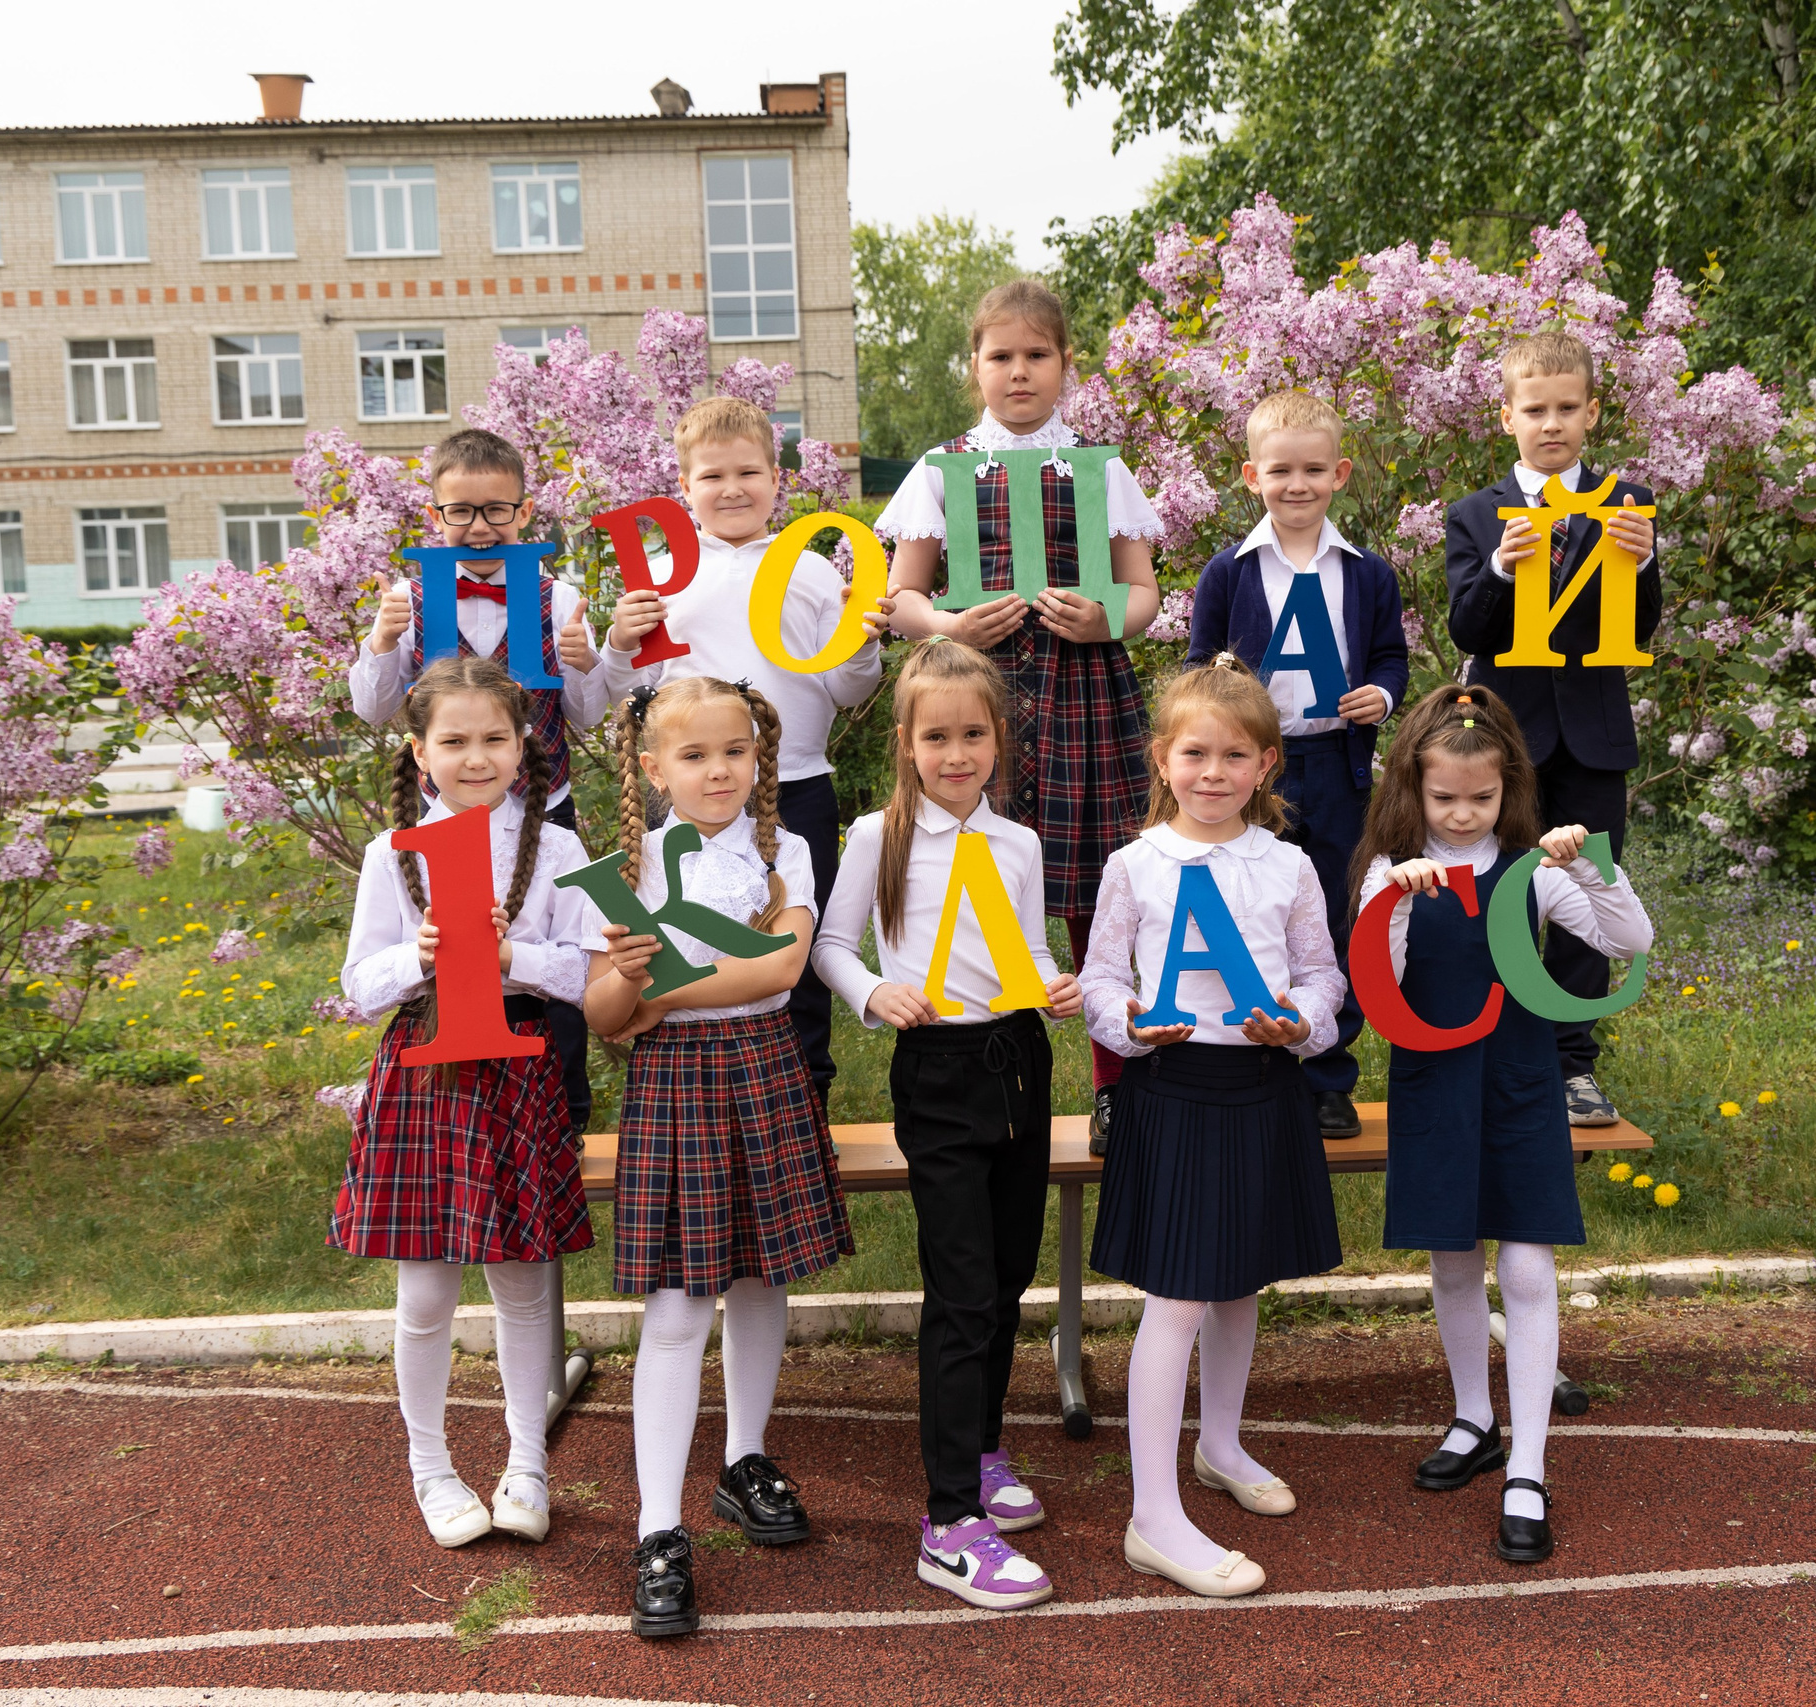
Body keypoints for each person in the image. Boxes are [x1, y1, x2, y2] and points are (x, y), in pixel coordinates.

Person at [1353, 683, 1652, 1565]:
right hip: (1435, 1089)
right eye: (1443, 797)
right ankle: (1473, 1418)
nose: (1461, 813)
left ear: (1508, 788)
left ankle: (1527, 1465)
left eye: (1480, 797)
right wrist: (1395, 899)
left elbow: (1629, 940)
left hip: (1520, 1089)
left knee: (1524, 1264)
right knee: (1453, 1259)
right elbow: (1380, 990)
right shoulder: (1388, 872)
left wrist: (1589, 864)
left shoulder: (1532, 871)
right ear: (1413, 788)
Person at [581, 676, 852, 1640]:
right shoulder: (626, 868)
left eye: (735, 751)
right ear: (654, 769)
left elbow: (781, 969)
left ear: (758, 756)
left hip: (766, 1068)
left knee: (761, 1275)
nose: (718, 770)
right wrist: (629, 989)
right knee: (678, 1305)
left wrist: (657, 992)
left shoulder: (786, 851)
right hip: (676, 1087)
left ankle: (744, 1458)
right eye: (694, 755)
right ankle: (658, 1529)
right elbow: (603, 1014)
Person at [810, 638, 1077, 1611]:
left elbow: (1024, 951)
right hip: (938, 1075)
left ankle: (984, 1445)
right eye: (937, 738)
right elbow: (831, 946)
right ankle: (949, 1521)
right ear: (906, 743)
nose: (956, 754)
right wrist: (873, 992)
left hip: (1020, 1065)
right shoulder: (875, 837)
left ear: (998, 738)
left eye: (972, 735)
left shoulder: (1019, 844)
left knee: (1006, 1278)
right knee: (961, 1290)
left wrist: (1051, 984)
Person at [1078, 657, 1347, 1600]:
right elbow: (1101, 978)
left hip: (1263, 1084)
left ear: (1267, 763)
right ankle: (1152, 1517)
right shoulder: (1135, 866)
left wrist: (1299, 1023)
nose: (1214, 772)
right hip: (1175, 1089)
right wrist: (1128, 1027)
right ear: (1162, 758)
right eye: (1195, 753)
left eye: (1236, 755)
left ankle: (1221, 1445)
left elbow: (1322, 975)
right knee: (1180, 1297)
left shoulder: (1290, 866)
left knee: (1240, 1281)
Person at [880, 279, 1164, 1150]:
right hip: (979, 699)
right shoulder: (942, 468)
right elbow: (902, 598)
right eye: (1000, 355)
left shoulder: (1099, 468)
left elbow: (1144, 592)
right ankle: (978, 1077)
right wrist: (950, 625)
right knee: (976, 883)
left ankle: (1117, 1082)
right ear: (973, 365)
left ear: (1065, 363)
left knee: (1099, 897)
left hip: (1082, 696)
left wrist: (1105, 618)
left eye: (1036, 354)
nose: (1018, 371)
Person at [332, 656, 599, 1550]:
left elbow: (590, 972)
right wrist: (421, 955)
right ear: (420, 751)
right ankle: (432, 1469)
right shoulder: (391, 851)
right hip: (425, 1072)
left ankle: (527, 1463)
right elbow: (359, 983)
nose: (475, 756)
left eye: (494, 738)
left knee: (523, 1285)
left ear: (523, 745)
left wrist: (514, 955)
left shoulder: (557, 848)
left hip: (519, 1072)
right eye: (454, 740)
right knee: (423, 1294)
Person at [602, 397, 888, 1108]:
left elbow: (847, 688)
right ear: (684, 485)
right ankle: (684, 1087)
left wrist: (862, 644)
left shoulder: (811, 572)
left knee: (794, 950)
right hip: (691, 800)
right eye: (712, 476)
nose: (732, 489)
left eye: (748, 472)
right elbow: (630, 691)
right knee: (687, 937)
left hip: (796, 788)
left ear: (776, 479)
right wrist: (617, 641)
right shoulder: (658, 577)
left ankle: (803, 1097)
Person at [352, 425, 607, 1136]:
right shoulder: (409, 599)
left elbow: (586, 712)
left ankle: (562, 1114)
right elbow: (373, 707)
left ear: (524, 511)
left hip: (544, 810)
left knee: (548, 958)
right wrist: (380, 643)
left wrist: (588, 664)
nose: (480, 526)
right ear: (435, 513)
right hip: (445, 817)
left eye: (497, 509)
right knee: (450, 957)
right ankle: (450, 1102)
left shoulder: (560, 597)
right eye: (460, 511)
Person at [1444, 329, 1659, 1128]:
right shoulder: (1476, 515)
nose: (1552, 423)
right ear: (1507, 417)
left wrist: (1642, 564)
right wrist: (1500, 568)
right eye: (1535, 410)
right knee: (1500, 898)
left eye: (1568, 408)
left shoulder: (1627, 504)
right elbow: (1468, 630)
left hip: (1593, 742)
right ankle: (1493, 1054)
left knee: (1584, 901)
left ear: (1592, 412)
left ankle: (1574, 1065)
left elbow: (1640, 628)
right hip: (1504, 745)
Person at [1185, 389, 1408, 1139]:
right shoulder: (1229, 572)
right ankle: (1257, 1061)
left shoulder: (1368, 573)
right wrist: (1220, 690)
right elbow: (1198, 667)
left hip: (1338, 767)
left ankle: (1328, 1074)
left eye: (1314, 469)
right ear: (1253, 477)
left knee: (1337, 918)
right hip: (1260, 775)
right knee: (1257, 910)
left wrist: (1381, 693)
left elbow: (1390, 657)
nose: (1297, 484)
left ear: (1340, 474)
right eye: (1280, 470)